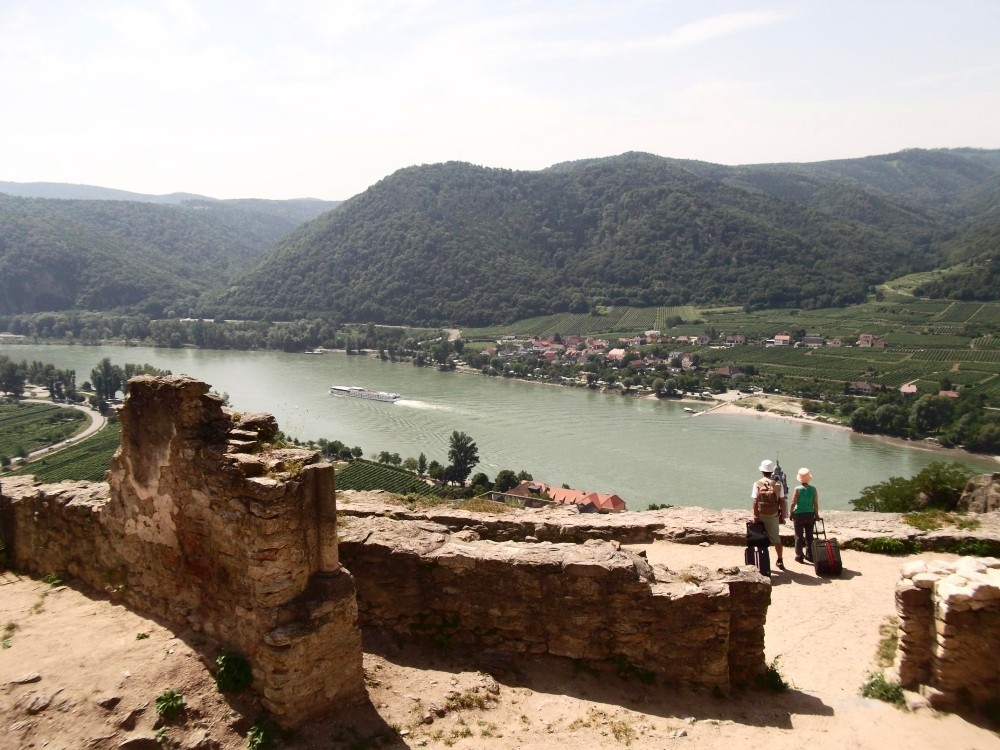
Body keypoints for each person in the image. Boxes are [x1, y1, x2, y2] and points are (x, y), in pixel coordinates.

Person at [752, 459, 787, 569]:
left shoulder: (757, 484)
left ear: (762, 471)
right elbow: (782, 501)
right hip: (773, 515)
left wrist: (756, 517)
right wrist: (782, 516)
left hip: (761, 514)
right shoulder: (778, 484)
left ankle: (761, 560)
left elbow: (755, 501)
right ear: (772, 472)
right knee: (776, 539)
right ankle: (780, 560)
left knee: (759, 538)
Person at [789, 467, 821, 564]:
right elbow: (815, 503)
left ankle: (799, 556)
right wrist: (816, 514)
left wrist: (791, 512)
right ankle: (810, 555)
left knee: (798, 536)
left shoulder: (797, 489)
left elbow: (793, 502)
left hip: (798, 514)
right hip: (810, 514)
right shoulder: (813, 489)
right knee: (809, 536)